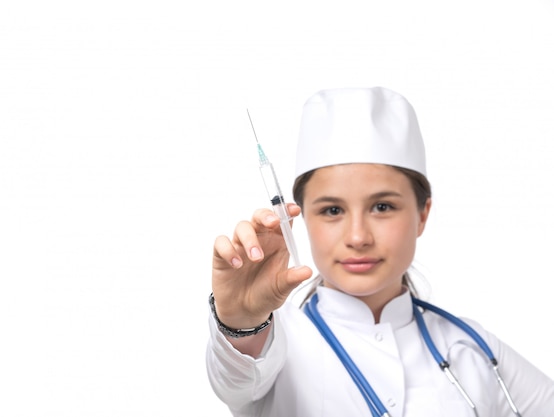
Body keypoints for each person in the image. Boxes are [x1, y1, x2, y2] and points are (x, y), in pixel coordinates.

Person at [205, 86, 554, 417]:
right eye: (332, 210)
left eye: (383, 207)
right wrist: (240, 322)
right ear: (301, 218)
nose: (358, 237)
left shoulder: (471, 347)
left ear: (422, 214)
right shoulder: (273, 344)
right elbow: (235, 378)